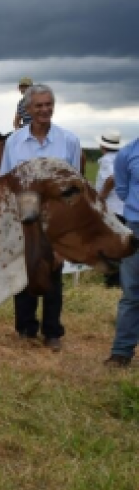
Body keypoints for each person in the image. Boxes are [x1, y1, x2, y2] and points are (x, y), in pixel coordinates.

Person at [0, 84, 83, 351]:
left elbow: (76, 186)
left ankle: (52, 331)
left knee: (53, 271)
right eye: (39, 105)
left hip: (56, 214)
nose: (44, 110)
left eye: (48, 104)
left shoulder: (68, 140)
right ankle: (25, 328)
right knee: (24, 271)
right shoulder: (14, 141)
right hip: (24, 213)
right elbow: (6, 181)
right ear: (28, 109)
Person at [107, 132, 139, 368]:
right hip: (136, 227)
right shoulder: (127, 153)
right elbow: (123, 191)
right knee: (131, 292)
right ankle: (121, 352)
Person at [96, 130, 126, 287]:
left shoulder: (107, 161)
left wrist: (100, 197)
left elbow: (111, 178)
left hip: (112, 207)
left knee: (111, 245)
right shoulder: (121, 158)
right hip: (124, 207)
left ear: (103, 145)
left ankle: (114, 280)